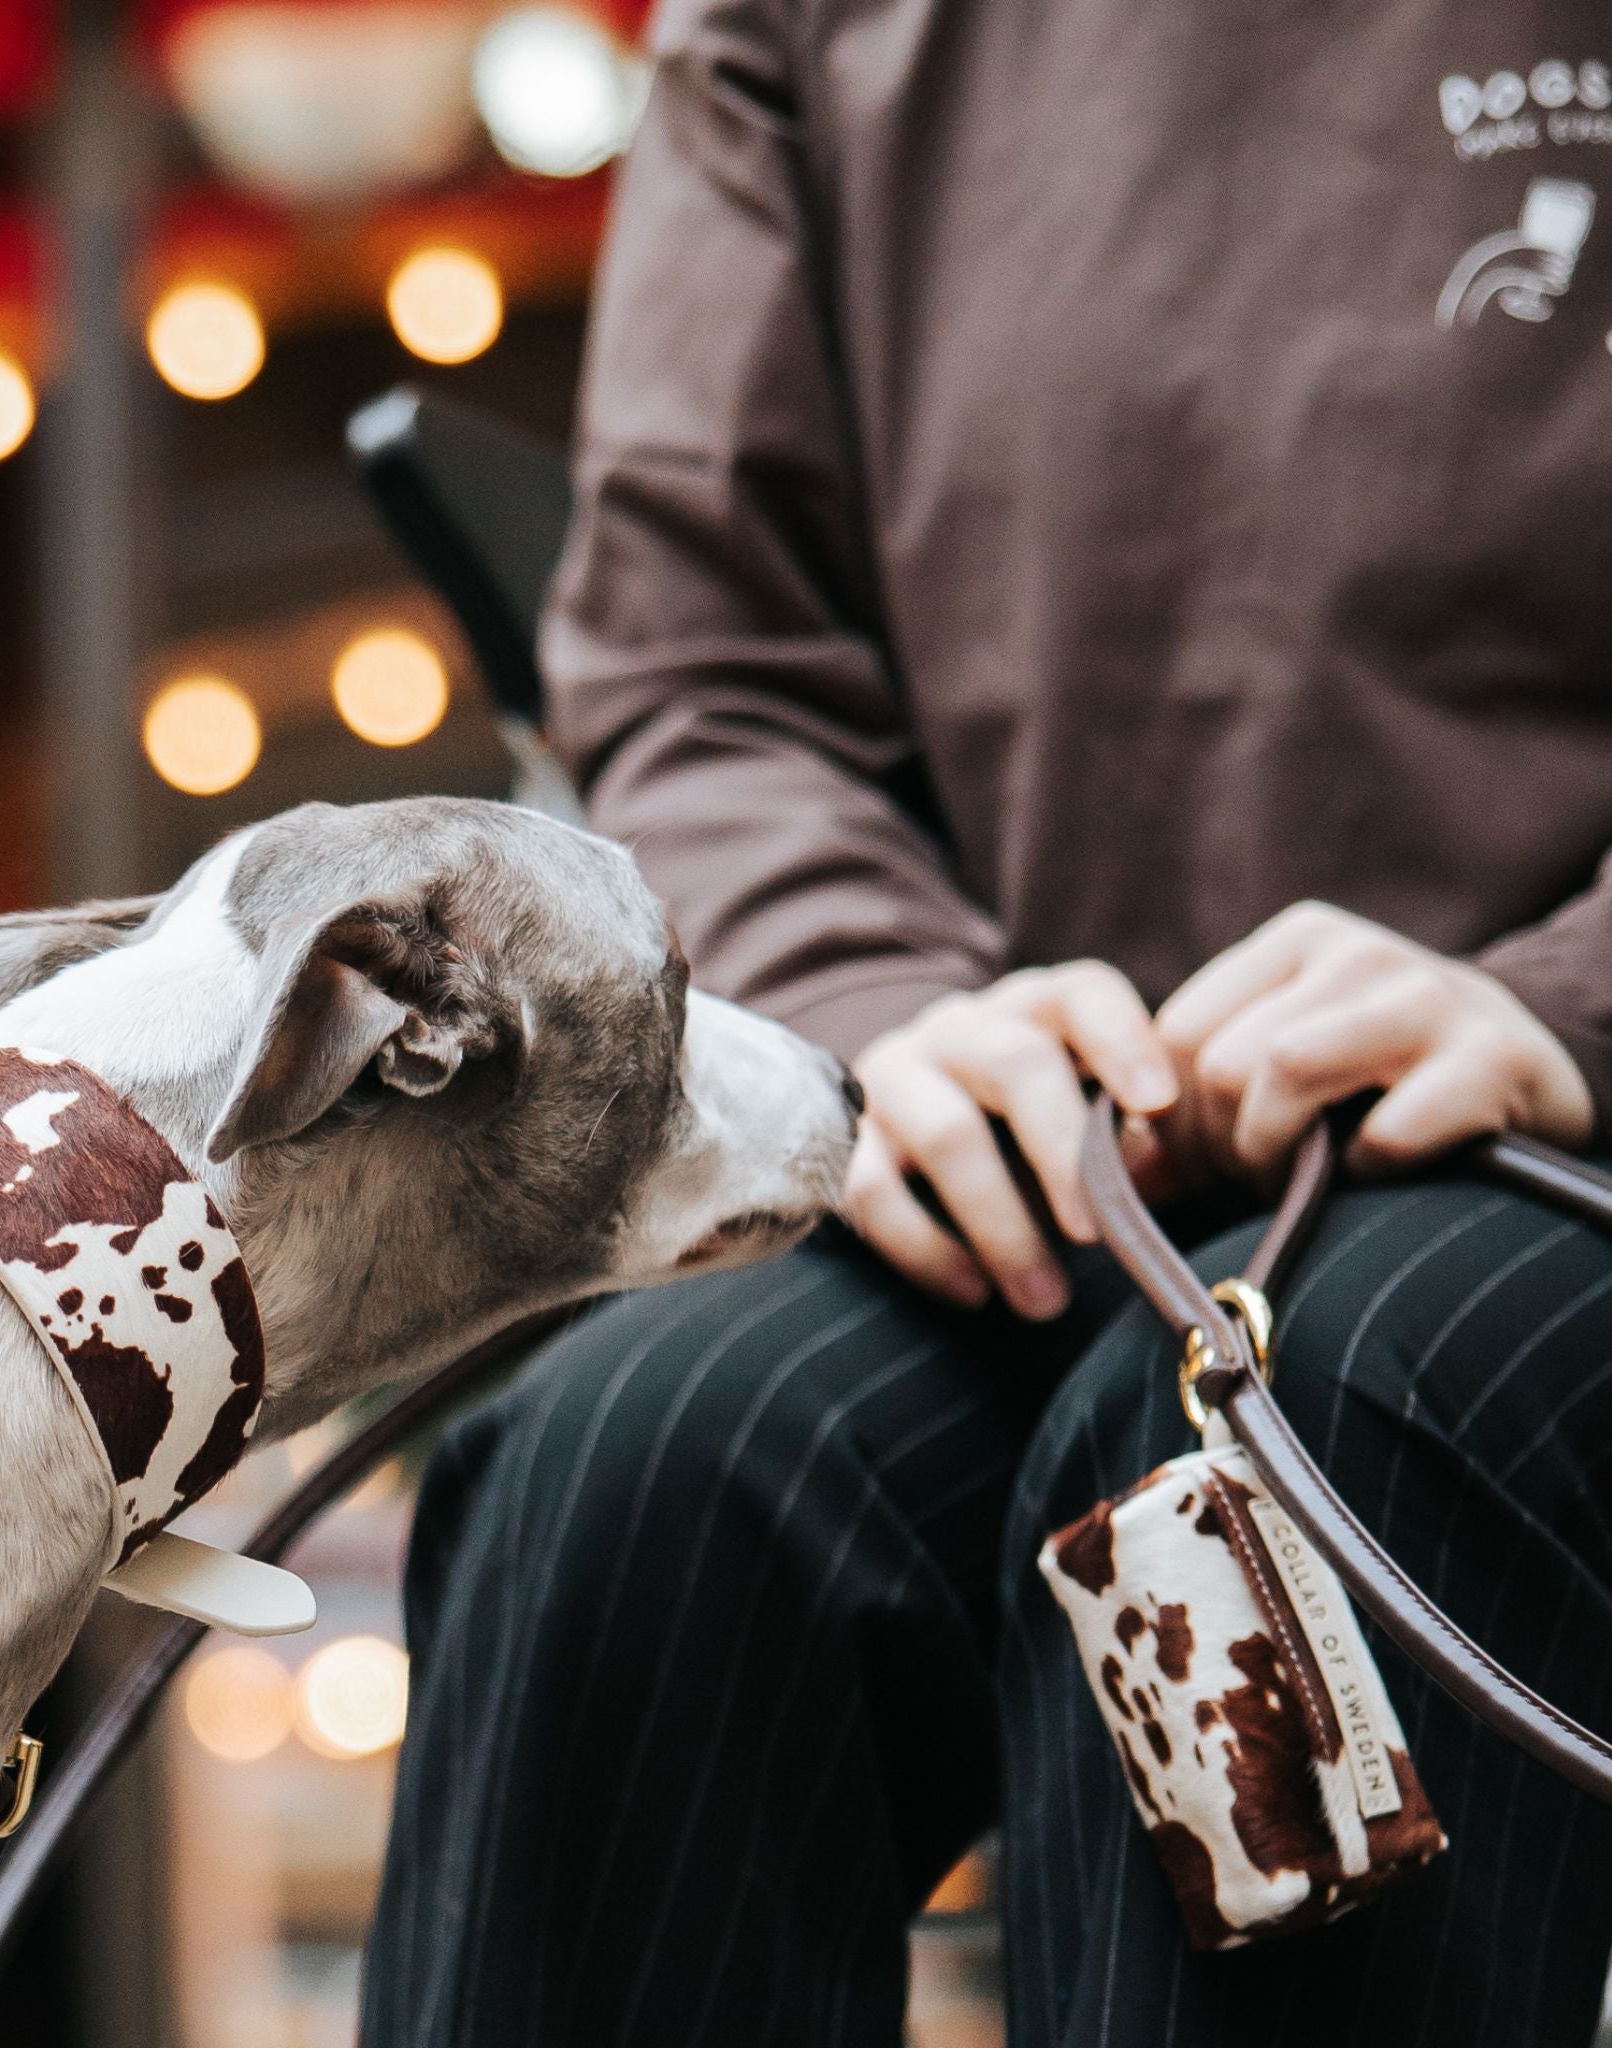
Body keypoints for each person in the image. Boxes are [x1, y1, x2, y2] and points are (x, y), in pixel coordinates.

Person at [358, 1, 1612, 2040]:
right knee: (627, 1471)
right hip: (1036, 1164)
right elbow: (702, 658)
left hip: (1551, 1141)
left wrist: (1567, 997)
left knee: (1303, 1434)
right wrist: (875, 1005)